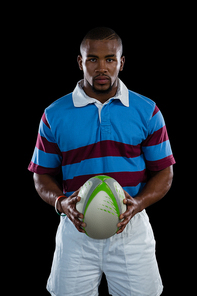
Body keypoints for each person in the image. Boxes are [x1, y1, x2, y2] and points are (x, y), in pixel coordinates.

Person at [28, 27, 175, 296]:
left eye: (109, 59)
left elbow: (164, 173)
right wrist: (62, 203)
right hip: (77, 228)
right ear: (80, 62)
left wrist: (137, 204)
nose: (101, 67)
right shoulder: (54, 114)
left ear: (121, 62)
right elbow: (41, 175)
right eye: (92, 59)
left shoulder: (147, 110)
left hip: (130, 229)